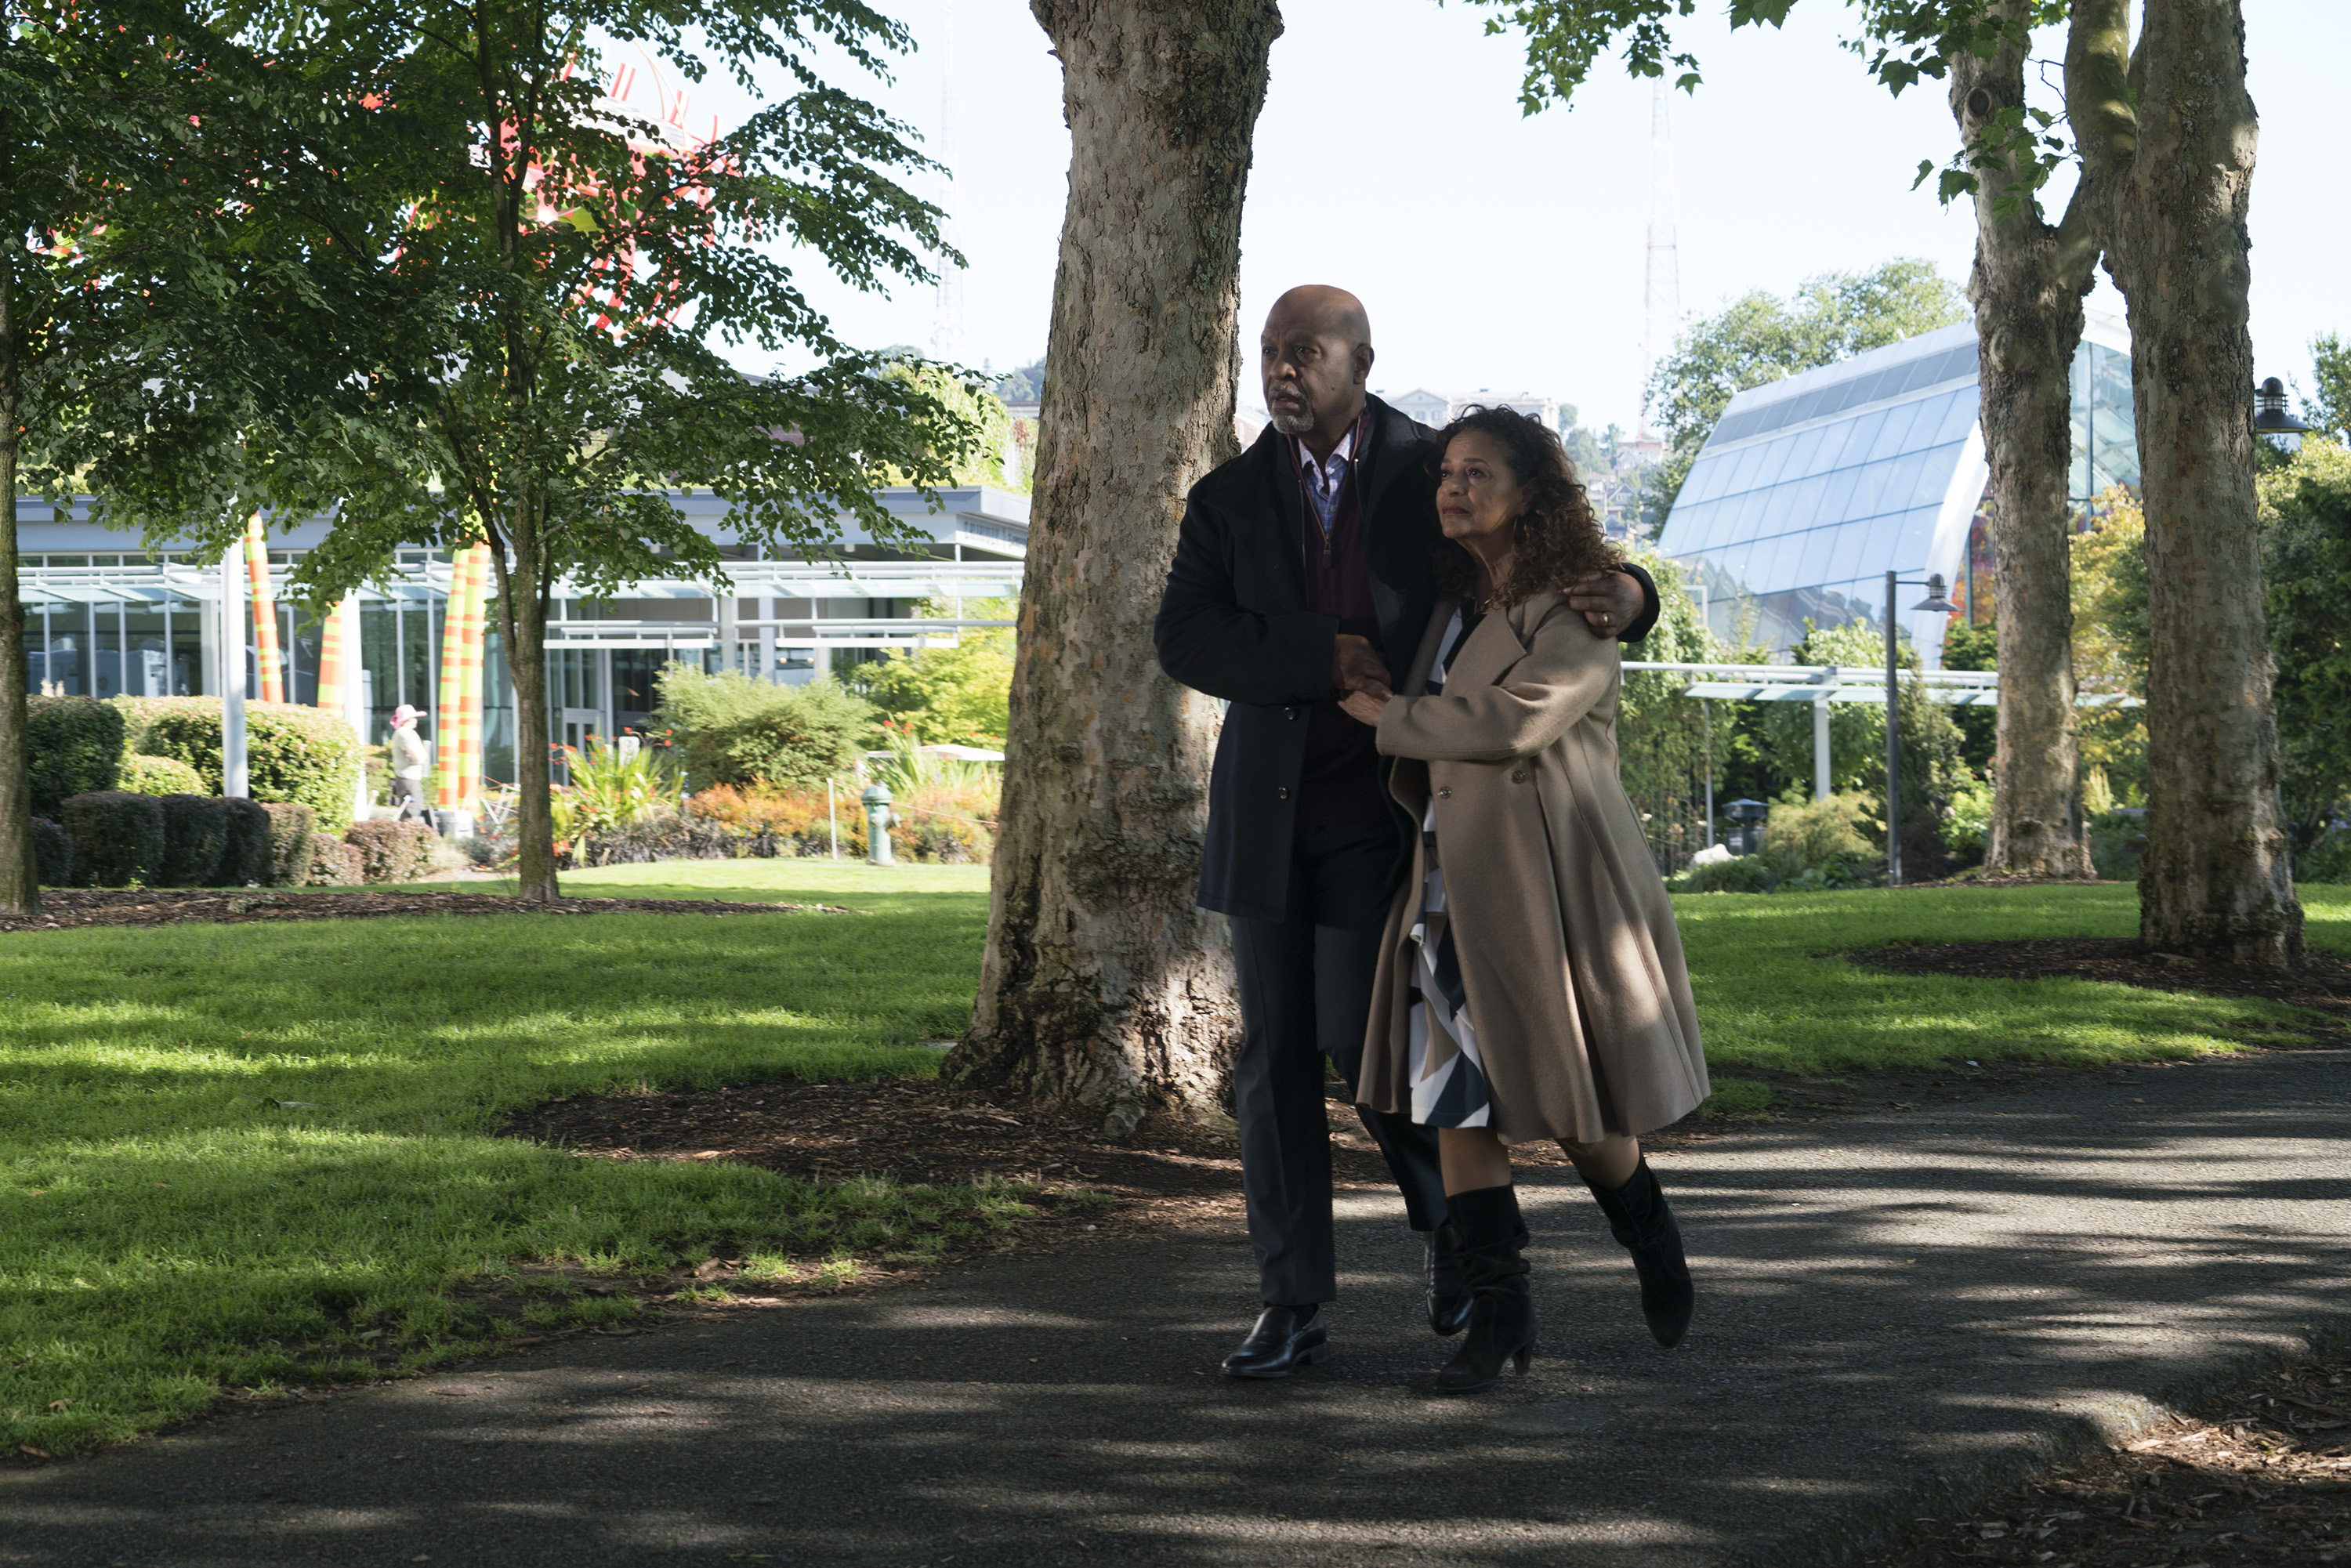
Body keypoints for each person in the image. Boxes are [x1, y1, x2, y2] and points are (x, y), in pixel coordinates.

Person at [1153, 285, 1661, 1379]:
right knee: (1272, 1061)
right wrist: (1317, 655)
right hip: (1267, 821)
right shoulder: (1227, 498)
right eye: (1271, 353)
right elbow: (1186, 635)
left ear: (1361, 360)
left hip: (1398, 820)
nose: (1285, 369)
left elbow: (1546, 548)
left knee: (1365, 1049)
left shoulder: (1433, 468)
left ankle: (1449, 1223)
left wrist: (1633, 587)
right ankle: (1292, 1300)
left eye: (1308, 351)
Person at [1340, 406, 1708, 1395]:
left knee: (1574, 1105)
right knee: (1455, 1100)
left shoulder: (1575, 610)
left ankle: (1652, 1236)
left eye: (1477, 473)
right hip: (1441, 883)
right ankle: (1499, 1323)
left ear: (1532, 493)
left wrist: (1389, 717)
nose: (1453, 488)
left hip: (1544, 879)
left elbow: (1515, 721)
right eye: (1445, 473)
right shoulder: (1451, 606)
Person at [388, 705, 430, 820]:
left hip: (414, 777)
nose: (416, 720)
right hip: (407, 778)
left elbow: (423, 756)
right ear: (408, 719)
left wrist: (419, 759)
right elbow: (418, 757)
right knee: (411, 812)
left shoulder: (411, 733)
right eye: (414, 717)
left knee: (416, 809)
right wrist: (418, 759)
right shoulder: (403, 733)